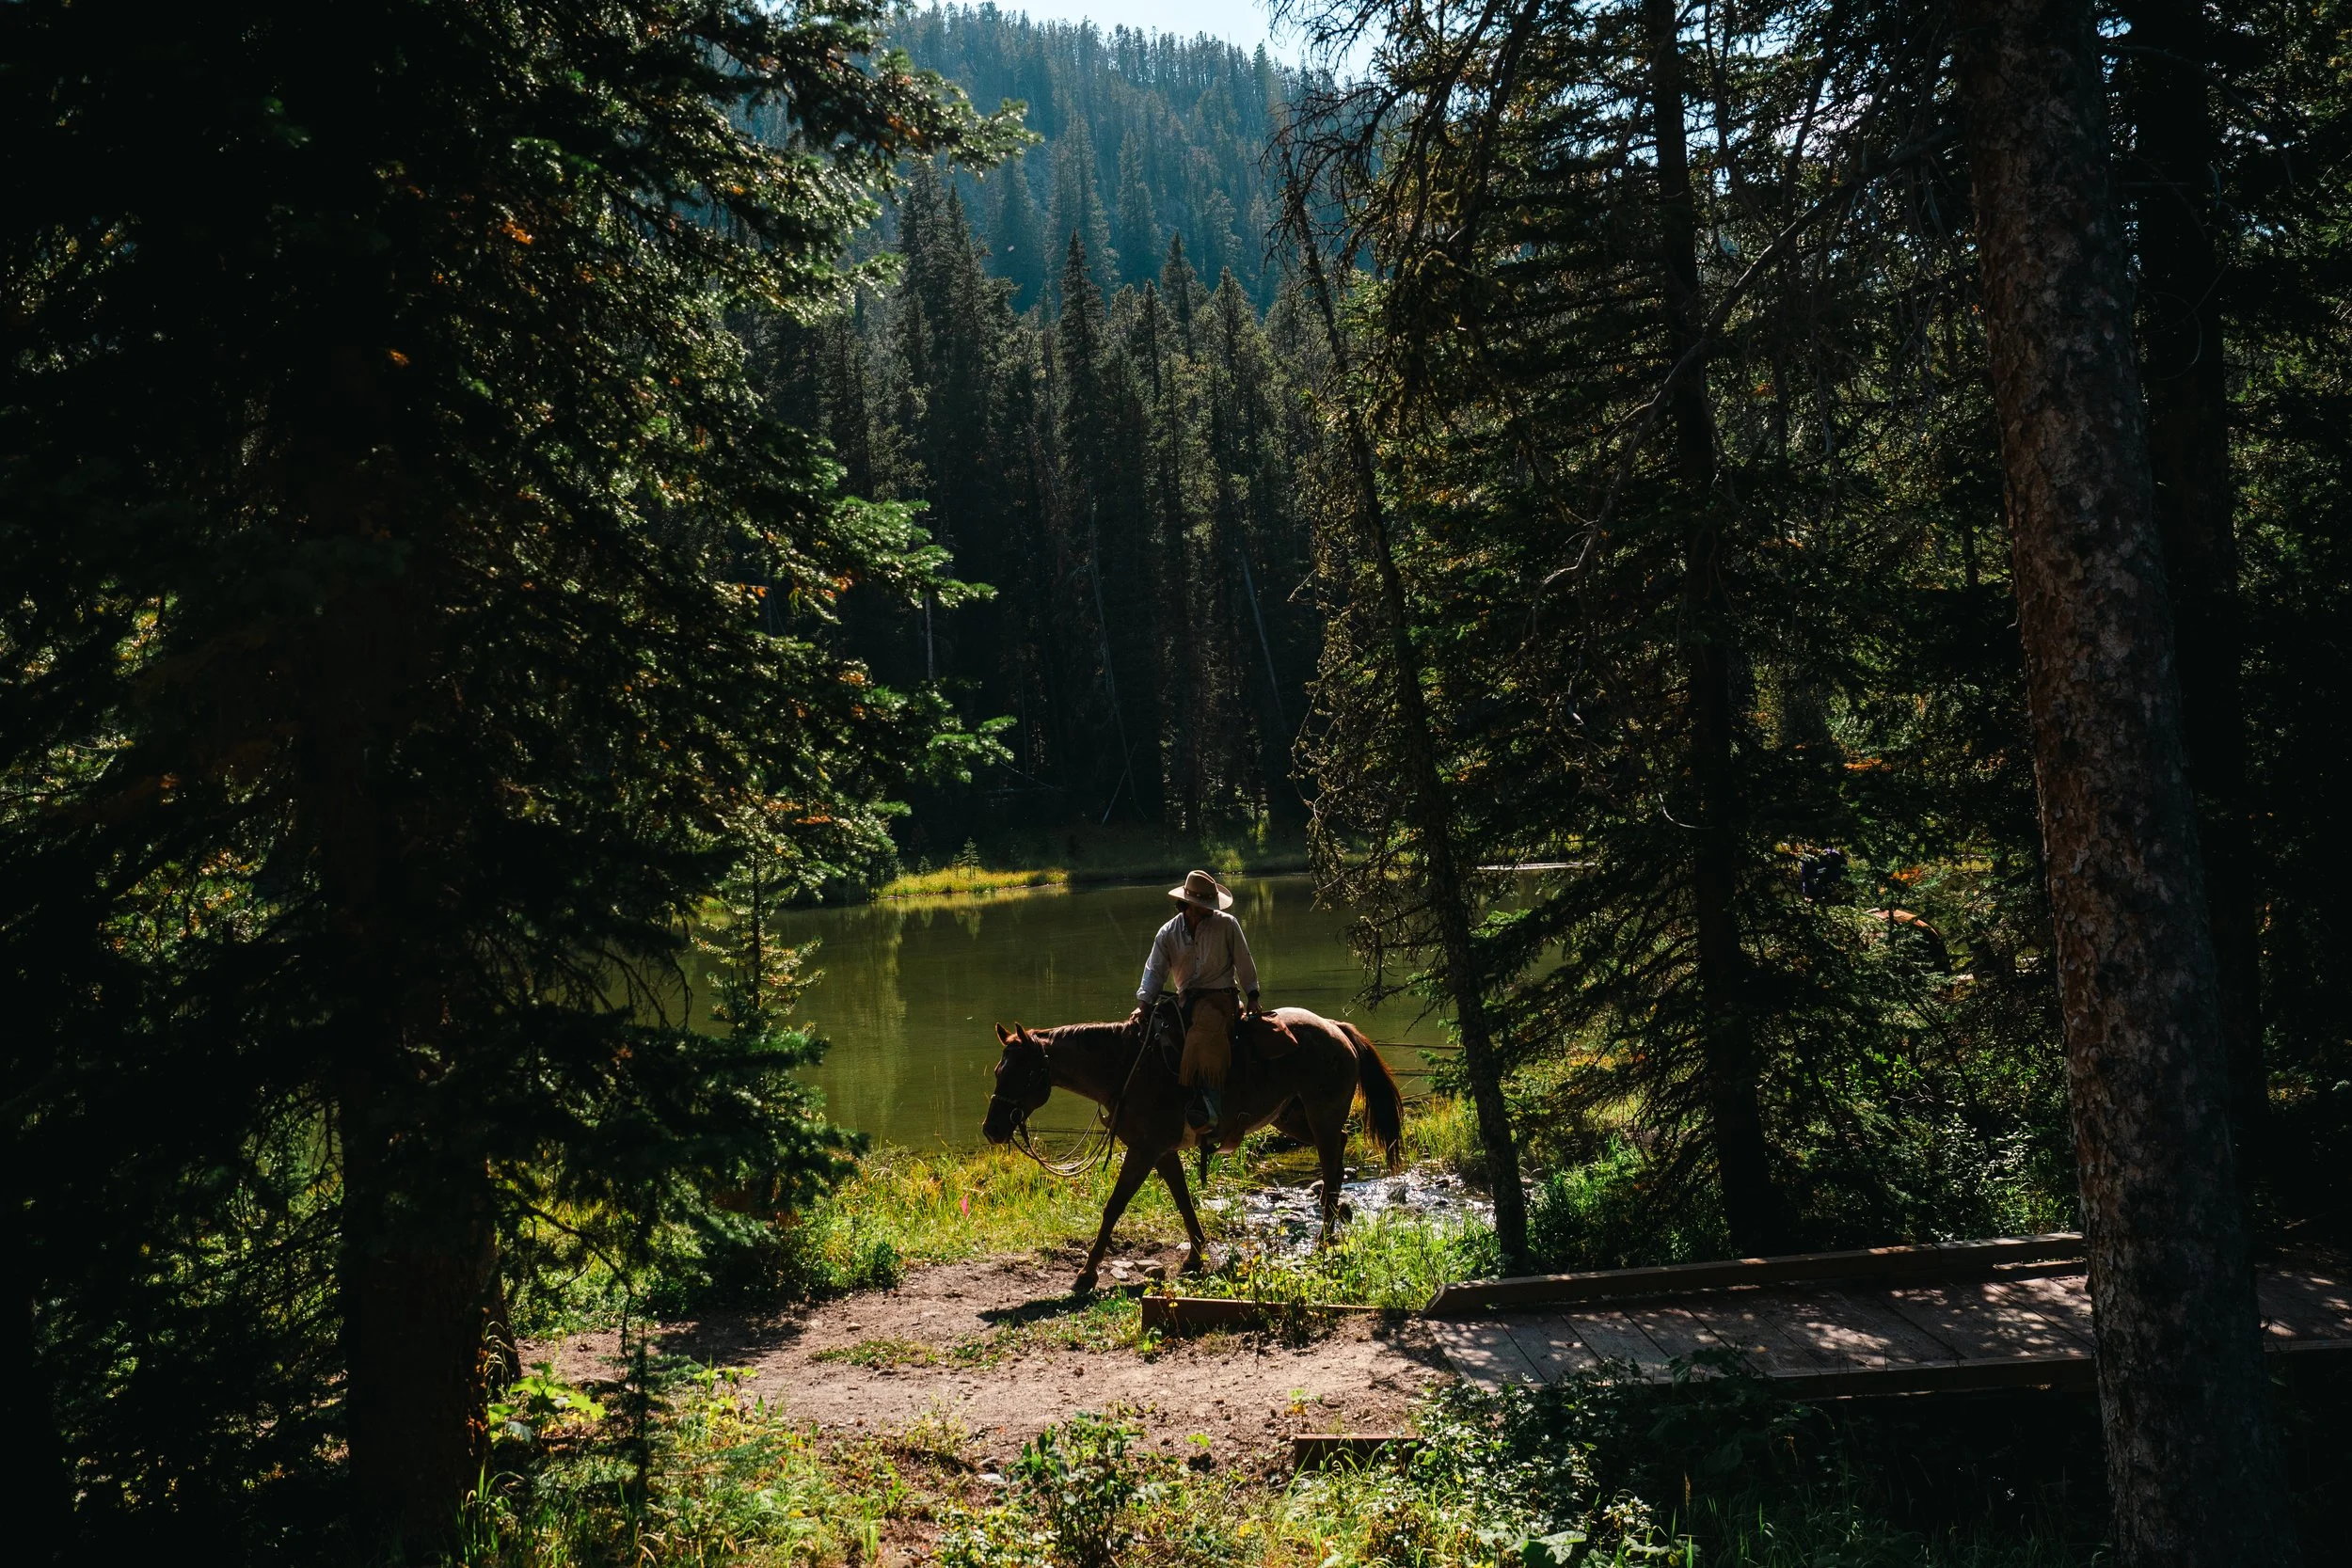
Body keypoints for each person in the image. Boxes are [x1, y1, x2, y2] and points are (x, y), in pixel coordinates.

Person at [1133, 868, 1260, 1138]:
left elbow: (1244, 960)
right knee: (1149, 1037)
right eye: (1204, 905)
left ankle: (1209, 1110)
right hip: (1185, 1000)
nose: (1209, 910)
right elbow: (1154, 971)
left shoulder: (1227, 924)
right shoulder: (1168, 933)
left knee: (1203, 1035)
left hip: (1220, 998)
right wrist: (1144, 1004)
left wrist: (1253, 996)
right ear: (1189, 905)